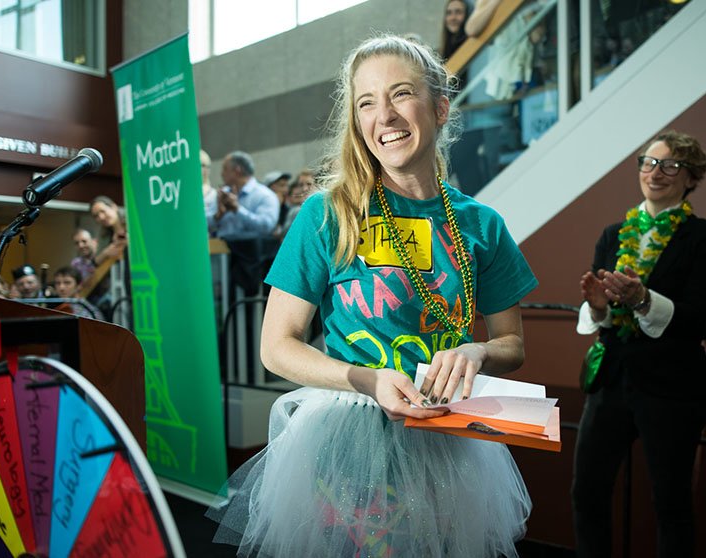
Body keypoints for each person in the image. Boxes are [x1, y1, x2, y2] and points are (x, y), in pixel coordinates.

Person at [209, 34, 538, 557]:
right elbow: (277, 346)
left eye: (401, 94)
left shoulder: (483, 225)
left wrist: (476, 350)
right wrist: (367, 379)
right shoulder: (328, 214)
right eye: (367, 102)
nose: (384, 115)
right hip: (348, 440)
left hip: (450, 442)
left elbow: (511, 344)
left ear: (441, 107)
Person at [572, 131, 706, 558]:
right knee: (587, 494)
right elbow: (598, 318)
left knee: (671, 504)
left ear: (690, 177)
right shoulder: (613, 233)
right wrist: (599, 305)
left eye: (671, 165)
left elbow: (695, 317)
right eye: (649, 162)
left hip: (674, 386)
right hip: (611, 383)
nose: (656, 173)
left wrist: (641, 298)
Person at [208, 151, 280, 238]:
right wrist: (217, 216)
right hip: (219, 249)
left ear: (237, 170)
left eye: (225, 169)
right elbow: (201, 225)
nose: (221, 174)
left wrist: (238, 210)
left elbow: (266, 227)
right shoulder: (222, 194)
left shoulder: (265, 195)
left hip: (249, 250)